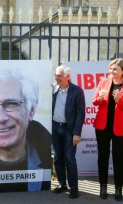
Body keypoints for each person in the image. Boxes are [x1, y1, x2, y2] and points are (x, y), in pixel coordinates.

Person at [52, 65, 85, 199]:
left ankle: (74, 188)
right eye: (56, 75)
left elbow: (80, 113)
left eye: (59, 76)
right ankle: (62, 184)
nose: (56, 78)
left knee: (70, 159)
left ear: (67, 77)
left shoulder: (77, 91)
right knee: (58, 157)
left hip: (69, 130)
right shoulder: (54, 89)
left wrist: (76, 133)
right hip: (55, 127)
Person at [92, 58, 123, 201]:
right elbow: (94, 101)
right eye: (111, 69)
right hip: (103, 126)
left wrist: (119, 101)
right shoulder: (103, 82)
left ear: (122, 71)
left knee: (119, 158)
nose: (111, 71)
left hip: (119, 128)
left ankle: (118, 189)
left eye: (115, 69)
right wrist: (99, 98)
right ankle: (103, 187)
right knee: (102, 157)